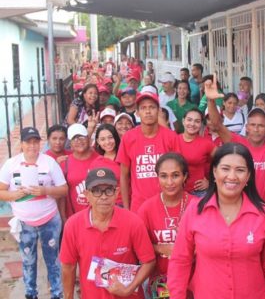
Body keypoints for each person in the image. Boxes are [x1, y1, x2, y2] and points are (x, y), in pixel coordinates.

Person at [167, 143, 265, 298]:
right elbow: (180, 261)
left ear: (249, 176)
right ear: (214, 172)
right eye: (225, 168)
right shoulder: (195, 211)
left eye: (240, 170)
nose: (232, 176)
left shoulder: (263, 214)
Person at [60, 168, 156, 299]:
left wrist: (129, 289)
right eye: (97, 191)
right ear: (86, 194)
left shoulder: (133, 222)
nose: (103, 196)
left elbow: (148, 261)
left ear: (116, 193)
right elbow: (68, 267)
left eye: (108, 190)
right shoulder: (73, 225)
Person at [205, 73, 265, 206]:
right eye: (253, 125)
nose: (256, 129)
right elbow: (217, 125)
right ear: (246, 127)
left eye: (261, 125)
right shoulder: (238, 143)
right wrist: (211, 101)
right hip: (241, 209)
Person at [0, 127, 68, 299]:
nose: (32, 146)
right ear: (21, 144)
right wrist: (14, 195)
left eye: (35, 142)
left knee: (53, 260)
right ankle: (31, 294)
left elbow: (64, 189)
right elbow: (1, 190)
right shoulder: (11, 164)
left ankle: (57, 294)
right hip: (24, 222)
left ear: (40, 143)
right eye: (28, 142)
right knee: (28, 261)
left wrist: (45, 190)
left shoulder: (49, 162)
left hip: (49, 220)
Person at [137, 153, 195, 295]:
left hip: (194, 281)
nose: (169, 182)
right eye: (164, 176)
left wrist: (186, 249)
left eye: (175, 175)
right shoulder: (147, 209)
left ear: (185, 176)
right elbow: (138, 247)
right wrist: (161, 248)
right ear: (157, 178)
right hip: (160, 283)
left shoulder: (197, 206)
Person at [116, 90, 179, 212]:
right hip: (139, 206)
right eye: (143, 108)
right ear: (138, 113)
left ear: (159, 111)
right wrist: (126, 208)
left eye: (152, 107)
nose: (148, 111)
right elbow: (123, 175)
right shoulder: (128, 138)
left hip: (166, 203)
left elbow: (179, 173)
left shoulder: (171, 137)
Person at [59, 123, 99, 220]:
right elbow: (62, 196)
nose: (79, 141)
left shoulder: (100, 159)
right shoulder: (64, 163)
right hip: (74, 217)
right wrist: (64, 218)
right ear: (70, 143)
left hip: (99, 216)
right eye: (74, 138)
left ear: (88, 138)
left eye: (82, 137)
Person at [178, 108, 216, 196]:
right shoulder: (173, 140)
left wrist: (211, 181)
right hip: (177, 191)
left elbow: (223, 160)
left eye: (197, 121)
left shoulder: (206, 144)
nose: (192, 124)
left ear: (201, 124)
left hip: (198, 192)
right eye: (189, 120)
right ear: (183, 121)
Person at [90, 123, 122, 206]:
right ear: (98, 141)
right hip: (105, 205)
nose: (107, 142)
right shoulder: (96, 163)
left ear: (116, 137)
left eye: (110, 137)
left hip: (126, 203)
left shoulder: (125, 157)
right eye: (103, 139)